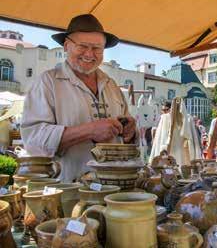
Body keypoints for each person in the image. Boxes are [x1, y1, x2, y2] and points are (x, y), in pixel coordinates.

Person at [21, 14, 137, 182]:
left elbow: (128, 140)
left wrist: (130, 132)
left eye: (97, 48)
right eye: (82, 46)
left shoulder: (112, 85)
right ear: (66, 46)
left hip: (114, 189)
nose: (89, 54)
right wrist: (89, 130)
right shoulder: (47, 82)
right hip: (68, 191)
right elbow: (33, 141)